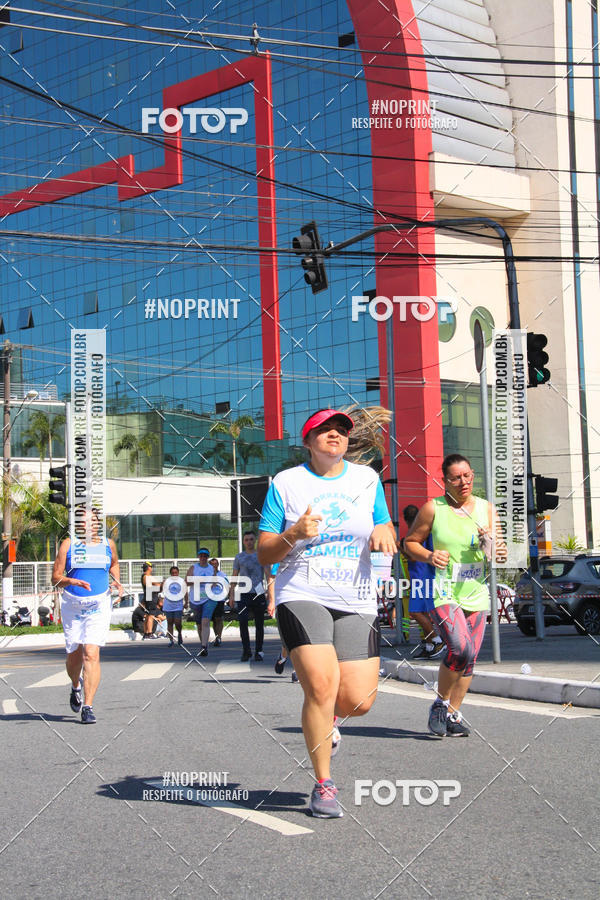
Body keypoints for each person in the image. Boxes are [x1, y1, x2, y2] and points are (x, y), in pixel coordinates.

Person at [258, 407, 396, 818]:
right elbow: (264, 551)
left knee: (359, 700)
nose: (334, 435)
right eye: (324, 430)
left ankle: (331, 719)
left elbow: (383, 525)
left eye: (341, 430)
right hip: (302, 591)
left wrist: (384, 531)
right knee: (320, 685)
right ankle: (324, 783)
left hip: (355, 596)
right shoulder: (287, 483)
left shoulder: (367, 480)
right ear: (308, 440)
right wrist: (293, 533)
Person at [405, 453, 506, 738]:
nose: (463, 482)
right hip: (445, 590)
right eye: (455, 478)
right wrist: (429, 554)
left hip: (475, 590)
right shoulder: (432, 509)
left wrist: (493, 546)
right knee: (459, 648)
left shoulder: (487, 509)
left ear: (473, 475)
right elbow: (409, 543)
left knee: (470, 657)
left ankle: (452, 714)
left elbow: (499, 553)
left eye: (467, 476)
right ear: (445, 481)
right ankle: (440, 703)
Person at [51, 508, 122, 724]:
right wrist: (71, 581)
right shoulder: (68, 545)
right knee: (74, 653)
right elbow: (55, 577)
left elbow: (114, 564)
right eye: (83, 522)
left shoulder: (108, 545)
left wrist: (117, 583)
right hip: (73, 604)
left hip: (99, 604)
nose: (87, 525)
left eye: (92, 521)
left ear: (97, 523)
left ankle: (88, 707)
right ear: (78, 526)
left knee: (91, 653)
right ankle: (75, 685)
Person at [400, 504, 444, 660]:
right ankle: (429, 645)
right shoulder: (429, 533)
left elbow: (413, 556)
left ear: (406, 520)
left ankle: (436, 640)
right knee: (424, 613)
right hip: (426, 577)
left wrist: (401, 546)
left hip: (422, 578)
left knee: (415, 612)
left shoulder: (416, 536)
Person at [229, 530, 267, 662]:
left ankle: (259, 650)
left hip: (258, 593)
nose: (249, 542)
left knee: (259, 623)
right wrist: (231, 595)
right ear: (244, 542)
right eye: (246, 540)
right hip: (243, 593)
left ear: (255, 540)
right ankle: (246, 651)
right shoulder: (239, 557)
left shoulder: (261, 555)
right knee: (243, 621)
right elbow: (234, 576)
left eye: (251, 539)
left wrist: (270, 594)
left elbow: (267, 573)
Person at [185, 547, 218, 657]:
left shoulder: (211, 568)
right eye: (201, 555)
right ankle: (202, 643)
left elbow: (214, 582)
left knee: (205, 621)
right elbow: (187, 581)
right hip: (196, 599)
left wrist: (212, 584)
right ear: (198, 556)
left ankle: (204, 646)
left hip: (209, 598)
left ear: (208, 557)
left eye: (205, 556)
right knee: (199, 625)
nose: (203, 557)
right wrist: (198, 580)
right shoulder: (193, 568)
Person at [162, 565, 185, 646]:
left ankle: (179, 633)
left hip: (178, 605)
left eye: (176, 573)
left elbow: (185, 593)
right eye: (172, 573)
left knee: (178, 622)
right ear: (170, 574)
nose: (174, 574)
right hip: (168, 605)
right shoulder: (167, 581)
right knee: (170, 623)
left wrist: (186, 602)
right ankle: (171, 640)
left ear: (178, 573)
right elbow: (162, 591)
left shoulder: (182, 581)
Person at [209, 557, 229, 646]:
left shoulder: (222, 575)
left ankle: (219, 637)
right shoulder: (207, 575)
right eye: (212, 564)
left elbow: (227, 586)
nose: (213, 566)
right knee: (213, 620)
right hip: (210, 599)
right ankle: (216, 636)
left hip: (220, 599)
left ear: (217, 565)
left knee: (219, 618)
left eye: (215, 564)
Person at [141, 562, 160, 640]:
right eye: (151, 567)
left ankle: (146, 633)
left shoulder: (146, 576)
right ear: (149, 567)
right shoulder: (146, 576)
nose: (152, 568)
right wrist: (157, 584)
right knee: (151, 616)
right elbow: (156, 585)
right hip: (151, 597)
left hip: (149, 596)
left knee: (148, 615)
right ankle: (149, 633)